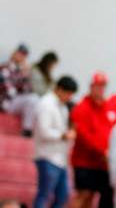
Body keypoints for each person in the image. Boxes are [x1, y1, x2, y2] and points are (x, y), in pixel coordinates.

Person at [70, 72, 116, 208]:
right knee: (84, 194)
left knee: (97, 197)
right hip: (85, 161)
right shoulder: (82, 107)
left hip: (104, 164)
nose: (100, 89)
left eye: (103, 86)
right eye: (97, 86)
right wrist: (102, 151)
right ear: (91, 86)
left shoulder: (110, 106)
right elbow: (84, 135)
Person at [32, 75, 77, 208]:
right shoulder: (46, 104)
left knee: (63, 195)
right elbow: (43, 131)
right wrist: (64, 135)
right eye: (68, 93)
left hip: (60, 159)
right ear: (59, 89)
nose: (69, 97)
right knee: (44, 195)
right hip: (47, 157)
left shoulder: (62, 107)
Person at [0, 43, 38, 136]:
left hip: (15, 101)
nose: (21, 57)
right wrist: (20, 90)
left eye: (24, 55)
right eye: (20, 53)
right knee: (31, 99)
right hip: (6, 102)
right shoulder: (5, 68)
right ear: (14, 53)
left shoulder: (22, 71)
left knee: (35, 99)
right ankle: (27, 129)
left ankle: (27, 129)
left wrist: (26, 75)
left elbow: (28, 90)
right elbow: (9, 91)